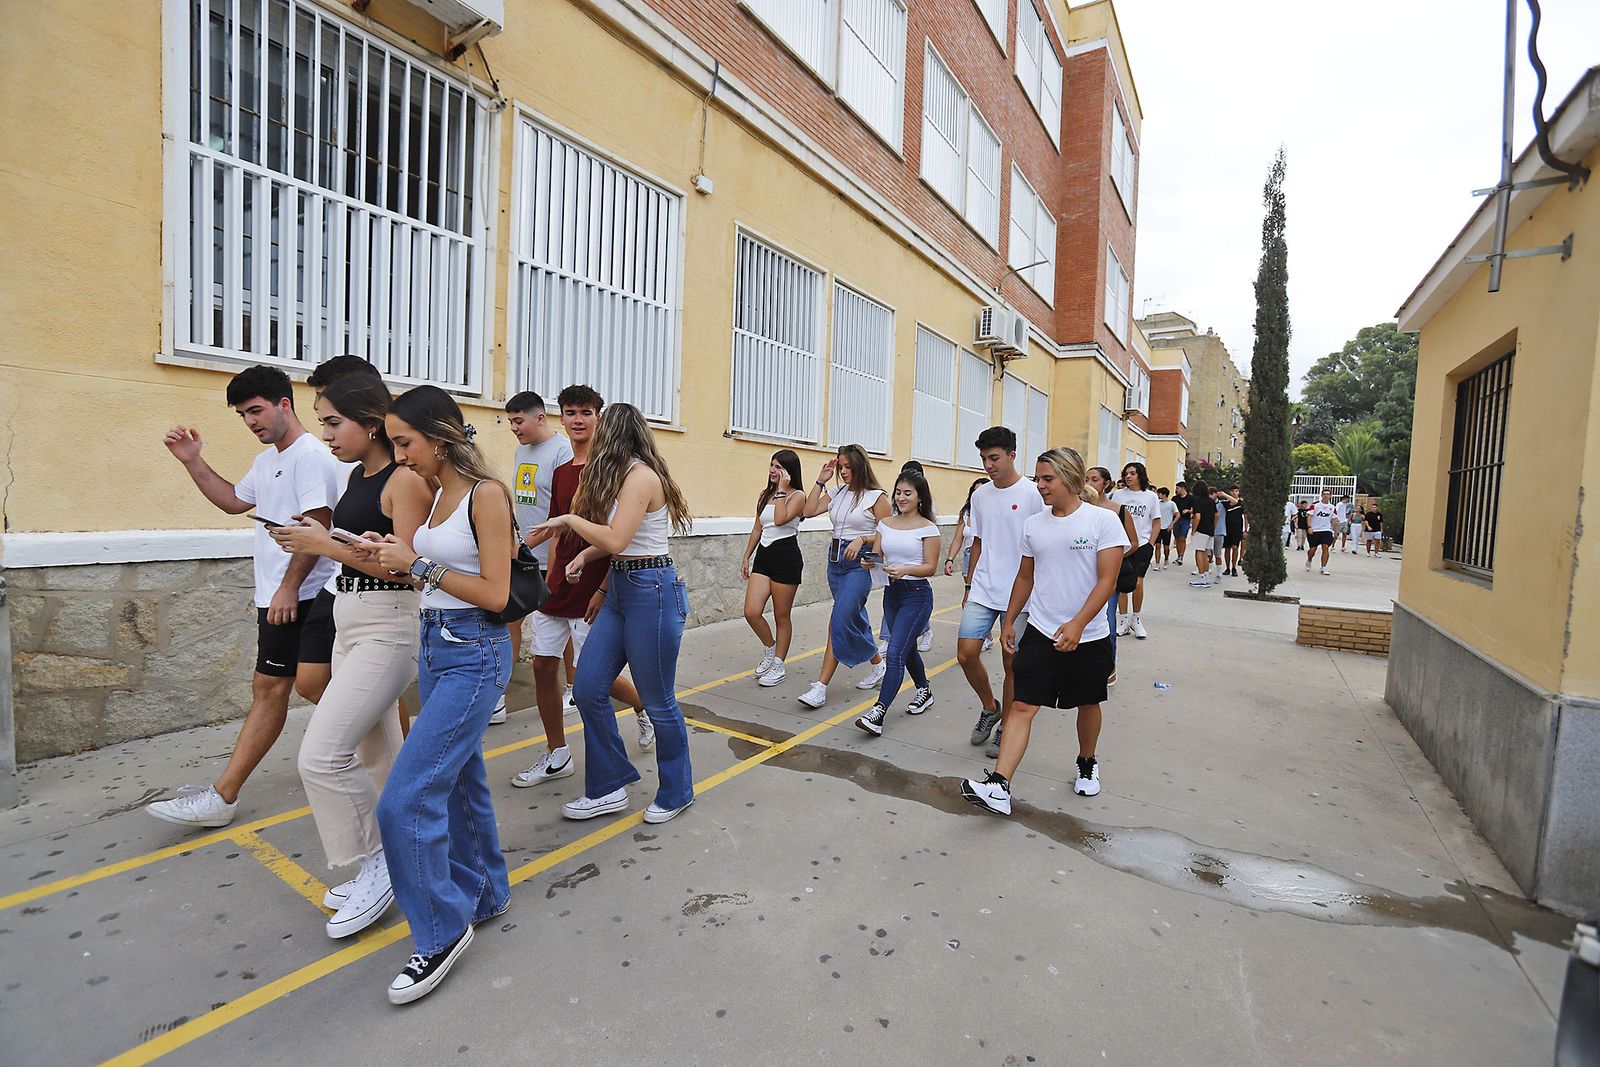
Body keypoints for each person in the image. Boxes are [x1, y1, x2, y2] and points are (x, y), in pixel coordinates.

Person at [267, 376, 432, 938]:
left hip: (390, 624)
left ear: (371, 421)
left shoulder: (404, 481)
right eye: (322, 422)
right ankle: (403, 860)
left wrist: (324, 545)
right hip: (352, 618)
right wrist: (325, 541)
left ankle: (376, 863)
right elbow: (365, 552)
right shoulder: (357, 477)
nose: (326, 434)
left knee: (320, 756)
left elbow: (409, 570)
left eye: (333, 422)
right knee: (378, 757)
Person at [147, 365, 343, 829]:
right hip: (280, 594)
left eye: (256, 410)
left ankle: (223, 796)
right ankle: (394, 751)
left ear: (284, 404)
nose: (251, 421)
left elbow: (318, 525)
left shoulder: (310, 456)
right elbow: (235, 500)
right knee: (295, 688)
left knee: (284, 687)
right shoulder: (269, 460)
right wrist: (193, 461)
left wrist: (289, 588)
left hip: (307, 594)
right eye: (242, 415)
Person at [369, 386, 515, 1005]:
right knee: (458, 780)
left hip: (475, 652)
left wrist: (418, 566)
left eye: (405, 442)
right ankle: (484, 894)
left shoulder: (486, 494)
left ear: (442, 436)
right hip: (435, 648)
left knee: (403, 802)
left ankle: (440, 930)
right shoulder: (434, 500)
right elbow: (425, 566)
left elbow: (497, 595)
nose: (399, 455)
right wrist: (382, 555)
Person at [534, 403, 695, 826]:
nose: (593, 434)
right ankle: (608, 787)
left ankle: (677, 789)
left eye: (601, 428)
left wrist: (568, 519)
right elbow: (615, 542)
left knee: (659, 702)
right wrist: (585, 556)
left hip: (651, 592)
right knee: (587, 688)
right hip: (623, 588)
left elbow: (620, 538)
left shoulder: (641, 476)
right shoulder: (621, 476)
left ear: (615, 434)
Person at [960, 447, 1128, 816]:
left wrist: (1079, 623)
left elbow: (1107, 580)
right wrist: (1009, 621)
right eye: (1038, 478)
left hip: (1089, 635)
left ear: (1071, 477)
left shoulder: (1101, 521)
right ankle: (999, 786)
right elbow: (1025, 576)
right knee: (1021, 705)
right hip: (1040, 629)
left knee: (1088, 702)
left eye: (1048, 479)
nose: (1040, 486)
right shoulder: (1034, 524)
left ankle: (1087, 761)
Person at [511, 386, 651, 790]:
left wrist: (604, 589)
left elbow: (620, 539)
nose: (577, 420)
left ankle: (642, 709)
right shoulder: (560, 472)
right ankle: (557, 754)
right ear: (561, 418)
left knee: (594, 680)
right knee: (542, 665)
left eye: (585, 412)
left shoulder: (615, 472)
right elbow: (556, 532)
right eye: (570, 412)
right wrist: (542, 574)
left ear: (599, 418)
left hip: (596, 587)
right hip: (557, 586)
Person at [955, 427, 1045, 758]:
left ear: (1012, 455)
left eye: (994, 458)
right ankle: (990, 707)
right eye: (983, 459)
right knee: (965, 654)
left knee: (1012, 665)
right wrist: (969, 584)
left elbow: (1041, 547)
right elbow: (976, 542)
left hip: (1020, 595)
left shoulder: (1034, 494)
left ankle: (1007, 724)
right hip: (983, 588)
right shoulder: (980, 496)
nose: (988, 465)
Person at [500, 390, 575, 723]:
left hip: (553, 556)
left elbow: (564, 510)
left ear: (540, 418)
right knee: (508, 621)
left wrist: (544, 547)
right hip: (523, 555)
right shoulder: (521, 451)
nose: (514, 428)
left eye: (519, 421)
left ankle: (574, 686)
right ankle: (497, 696)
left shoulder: (562, 451)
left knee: (566, 626)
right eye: (511, 421)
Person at [797, 444, 890, 708]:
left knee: (839, 620)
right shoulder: (837, 492)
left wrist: (863, 539)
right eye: (840, 467)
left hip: (859, 565)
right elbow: (807, 511)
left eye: (848, 466)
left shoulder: (876, 497)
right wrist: (820, 480)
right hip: (835, 562)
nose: (844, 471)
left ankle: (821, 686)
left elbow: (890, 533)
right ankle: (878, 664)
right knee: (853, 617)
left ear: (860, 466)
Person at [854, 470, 941, 735]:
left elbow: (930, 567)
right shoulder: (885, 524)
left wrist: (905, 569)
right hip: (892, 594)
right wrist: (868, 561)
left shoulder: (929, 528)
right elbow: (877, 555)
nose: (901, 498)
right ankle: (924, 690)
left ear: (919, 497)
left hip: (917, 595)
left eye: (908, 493)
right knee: (907, 649)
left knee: (894, 653)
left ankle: (877, 713)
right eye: (899, 492)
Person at [740, 450, 806, 687]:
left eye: (778, 467)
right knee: (752, 611)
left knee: (781, 615)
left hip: (786, 557)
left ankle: (779, 663)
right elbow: (758, 528)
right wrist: (746, 556)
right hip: (764, 557)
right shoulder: (766, 494)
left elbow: (780, 519)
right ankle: (770, 648)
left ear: (788, 471)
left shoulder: (798, 495)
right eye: (771, 465)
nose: (772, 470)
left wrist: (781, 490)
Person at [1086, 467, 1139, 689]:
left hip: (1108, 577)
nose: (1089, 483)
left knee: (1107, 620)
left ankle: (1109, 667)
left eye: (1094, 479)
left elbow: (1133, 542)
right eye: (1086, 479)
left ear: (1106, 484)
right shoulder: (1079, 509)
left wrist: (1111, 559)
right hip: (1083, 576)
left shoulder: (1118, 511)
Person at [944, 477, 994, 651]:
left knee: (978, 598)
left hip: (987, 557)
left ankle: (983, 636)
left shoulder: (993, 512)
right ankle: (986, 636)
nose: (978, 494)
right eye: (975, 491)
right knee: (971, 594)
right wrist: (949, 559)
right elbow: (958, 538)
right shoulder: (966, 512)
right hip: (969, 556)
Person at [1111, 462, 1161, 638]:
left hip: (1142, 544)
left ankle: (1136, 619)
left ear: (1140, 475)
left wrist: (1150, 544)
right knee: (1123, 584)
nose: (1128, 476)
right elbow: (1113, 518)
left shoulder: (1151, 497)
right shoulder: (1118, 495)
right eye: (1126, 473)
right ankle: (1123, 620)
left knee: (1138, 582)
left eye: (1132, 473)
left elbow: (1156, 522)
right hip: (1123, 545)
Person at [1188, 480, 1217, 588]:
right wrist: (1213, 525)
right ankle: (1205, 576)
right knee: (1205, 553)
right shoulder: (1211, 501)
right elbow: (1216, 515)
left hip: (1201, 530)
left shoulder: (1197, 501)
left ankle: (1201, 577)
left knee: (1199, 552)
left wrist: (1193, 530)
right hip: (1210, 530)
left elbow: (1197, 517)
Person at [1305, 488, 1337, 574]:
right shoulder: (1315, 506)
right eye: (1324, 494)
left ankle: (1324, 567)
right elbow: (1309, 516)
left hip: (1326, 530)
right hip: (1315, 530)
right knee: (1312, 549)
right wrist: (1309, 527)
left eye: (1328, 494)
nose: (1326, 496)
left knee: (1325, 547)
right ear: (1322, 495)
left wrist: (1335, 531)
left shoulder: (1332, 507)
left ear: (1330, 496)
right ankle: (1309, 560)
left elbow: (1334, 519)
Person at [1223, 486, 1246, 576]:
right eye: (1232, 491)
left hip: (1237, 528)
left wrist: (1245, 529)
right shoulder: (1225, 504)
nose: (1234, 493)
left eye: (1236, 491)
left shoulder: (1241, 503)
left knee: (1235, 547)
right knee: (1227, 549)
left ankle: (1234, 567)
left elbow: (1246, 517)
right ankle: (1227, 567)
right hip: (1227, 528)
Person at [1154, 488, 1177, 570]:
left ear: (1164, 494)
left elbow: (1177, 515)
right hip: (1158, 527)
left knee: (1166, 547)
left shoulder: (1171, 504)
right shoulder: (1157, 503)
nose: (1158, 495)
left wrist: (1171, 525)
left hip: (1167, 528)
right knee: (1157, 546)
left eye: (1159, 493)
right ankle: (1157, 564)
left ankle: (1166, 559)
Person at [1172, 481, 1193, 566]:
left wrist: (1189, 511)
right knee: (1177, 538)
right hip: (1176, 520)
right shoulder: (1175, 498)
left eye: (1177, 488)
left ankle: (1181, 556)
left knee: (1182, 538)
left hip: (1185, 520)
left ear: (1182, 488)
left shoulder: (1191, 498)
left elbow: (1195, 509)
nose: (1176, 490)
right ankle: (1178, 555)